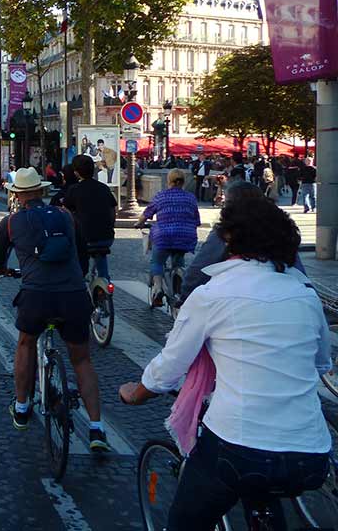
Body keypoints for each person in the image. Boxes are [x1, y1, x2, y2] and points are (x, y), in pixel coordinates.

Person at [119, 193, 331, 528]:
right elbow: (321, 364)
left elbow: (168, 370)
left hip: (239, 447)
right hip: (311, 455)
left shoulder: (212, 294)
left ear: (228, 239)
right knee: (264, 493)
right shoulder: (305, 294)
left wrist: (136, 392)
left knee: (185, 522)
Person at [0, 166, 109, 452]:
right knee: (82, 361)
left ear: (17, 195)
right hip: (72, 296)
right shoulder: (66, 216)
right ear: (41, 192)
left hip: (36, 296)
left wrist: (6, 270)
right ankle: (97, 429)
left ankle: (21, 407)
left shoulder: (9, 223)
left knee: (26, 343)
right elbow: (81, 258)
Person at [137, 168, 199, 305]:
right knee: (178, 261)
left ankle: (158, 289)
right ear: (183, 182)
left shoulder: (161, 196)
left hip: (164, 236)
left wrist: (139, 223)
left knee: (157, 262)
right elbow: (197, 220)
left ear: (168, 181)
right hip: (185, 236)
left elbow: (147, 213)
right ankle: (179, 284)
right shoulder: (191, 198)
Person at [63, 154, 117, 281]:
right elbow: (113, 210)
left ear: (76, 173)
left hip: (84, 238)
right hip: (107, 237)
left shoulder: (74, 190)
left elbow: (66, 214)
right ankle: (104, 281)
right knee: (101, 257)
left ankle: (80, 283)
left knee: (78, 257)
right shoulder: (104, 188)